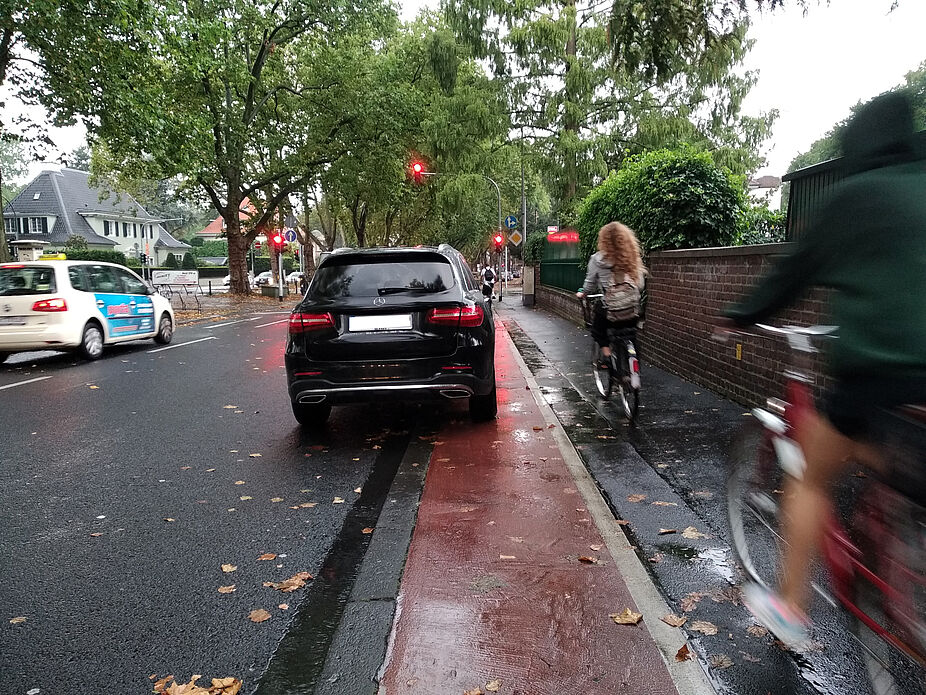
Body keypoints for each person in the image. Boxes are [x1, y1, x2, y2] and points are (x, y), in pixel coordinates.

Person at [718, 90, 926, 647]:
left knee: (810, 475)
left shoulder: (855, 196)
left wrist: (741, 315)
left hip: (879, 378)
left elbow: (794, 272)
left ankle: (791, 609)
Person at [576, 221, 646, 368]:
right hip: (631, 310)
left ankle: (607, 357)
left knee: (597, 330)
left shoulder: (597, 259)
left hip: (610, 311)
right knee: (630, 332)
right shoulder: (631, 256)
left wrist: (583, 293)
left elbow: (589, 284)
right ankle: (633, 364)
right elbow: (640, 284)